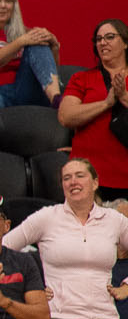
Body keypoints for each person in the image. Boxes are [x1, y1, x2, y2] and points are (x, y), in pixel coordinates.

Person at [3, 157, 128, 319]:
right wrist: (30, 287)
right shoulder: (47, 217)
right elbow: (4, 249)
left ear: (95, 183)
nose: (73, 182)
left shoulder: (115, 220)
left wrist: (126, 285)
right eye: (66, 178)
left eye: (80, 175)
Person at [54, 19, 128, 198]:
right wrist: (106, 103)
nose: (103, 42)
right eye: (98, 39)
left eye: (110, 37)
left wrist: (123, 96)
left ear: (125, 43)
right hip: (90, 179)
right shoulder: (82, 79)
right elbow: (65, 116)